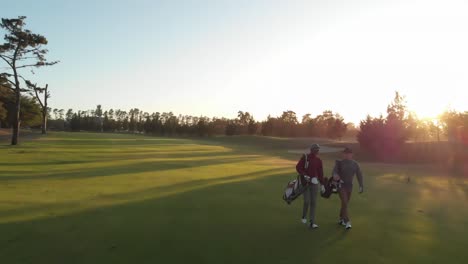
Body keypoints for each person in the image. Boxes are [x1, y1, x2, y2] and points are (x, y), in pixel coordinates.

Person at [332, 147, 364, 230]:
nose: (346, 155)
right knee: (345, 202)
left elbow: (359, 174)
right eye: (345, 154)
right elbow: (334, 171)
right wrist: (335, 175)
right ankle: (347, 221)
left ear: (352, 154)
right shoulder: (339, 163)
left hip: (349, 186)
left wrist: (361, 185)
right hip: (341, 185)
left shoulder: (355, 164)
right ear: (343, 154)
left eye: (348, 154)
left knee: (344, 204)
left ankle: (341, 218)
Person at [295, 144, 325, 229]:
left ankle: (312, 222)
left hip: (314, 184)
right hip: (306, 183)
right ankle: (304, 216)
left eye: (318, 149)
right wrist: (304, 175)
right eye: (315, 149)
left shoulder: (319, 160)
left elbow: (320, 173)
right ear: (311, 150)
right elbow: (298, 167)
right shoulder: (305, 157)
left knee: (313, 203)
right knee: (306, 201)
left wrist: (322, 184)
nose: (317, 151)